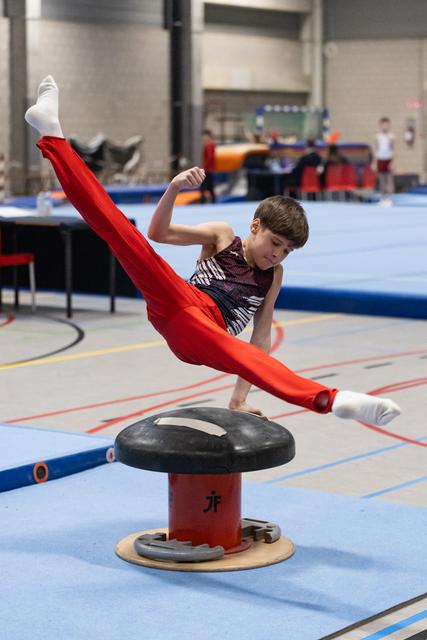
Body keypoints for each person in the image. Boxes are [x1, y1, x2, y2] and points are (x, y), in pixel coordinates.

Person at [24, 76, 402, 427]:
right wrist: (173, 190)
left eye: (287, 251)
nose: (277, 255)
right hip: (178, 301)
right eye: (275, 243)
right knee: (119, 230)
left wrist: (239, 399)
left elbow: (260, 339)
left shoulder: (274, 276)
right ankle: (52, 134)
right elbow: (157, 233)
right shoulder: (222, 237)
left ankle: (331, 400)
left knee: (246, 353)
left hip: (208, 336)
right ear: (255, 226)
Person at [374, 117, 395, 207]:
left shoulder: (391, 136)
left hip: (388, 159)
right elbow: (376, 149)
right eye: (383, 125)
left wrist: (393, 162)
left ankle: (389, 198)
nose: (384, 127)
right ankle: (383, 198)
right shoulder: (377, 136)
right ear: (380, 125)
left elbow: (394, 149)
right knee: (381, 180)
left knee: (389, 180)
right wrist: (374, 162)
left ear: (389, 125)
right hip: (380, 158)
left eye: (386, 125)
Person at [200, 129, 216, 204]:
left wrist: (204, 167)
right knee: (209, 186)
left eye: (204, 137)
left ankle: (203, 199)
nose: (203, 139)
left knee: (204, 186)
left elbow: (209, 158)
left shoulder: (209, 145)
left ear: (208, 136)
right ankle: (212, 199)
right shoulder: (211, 144)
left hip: (207, 169)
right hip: (209, 169)